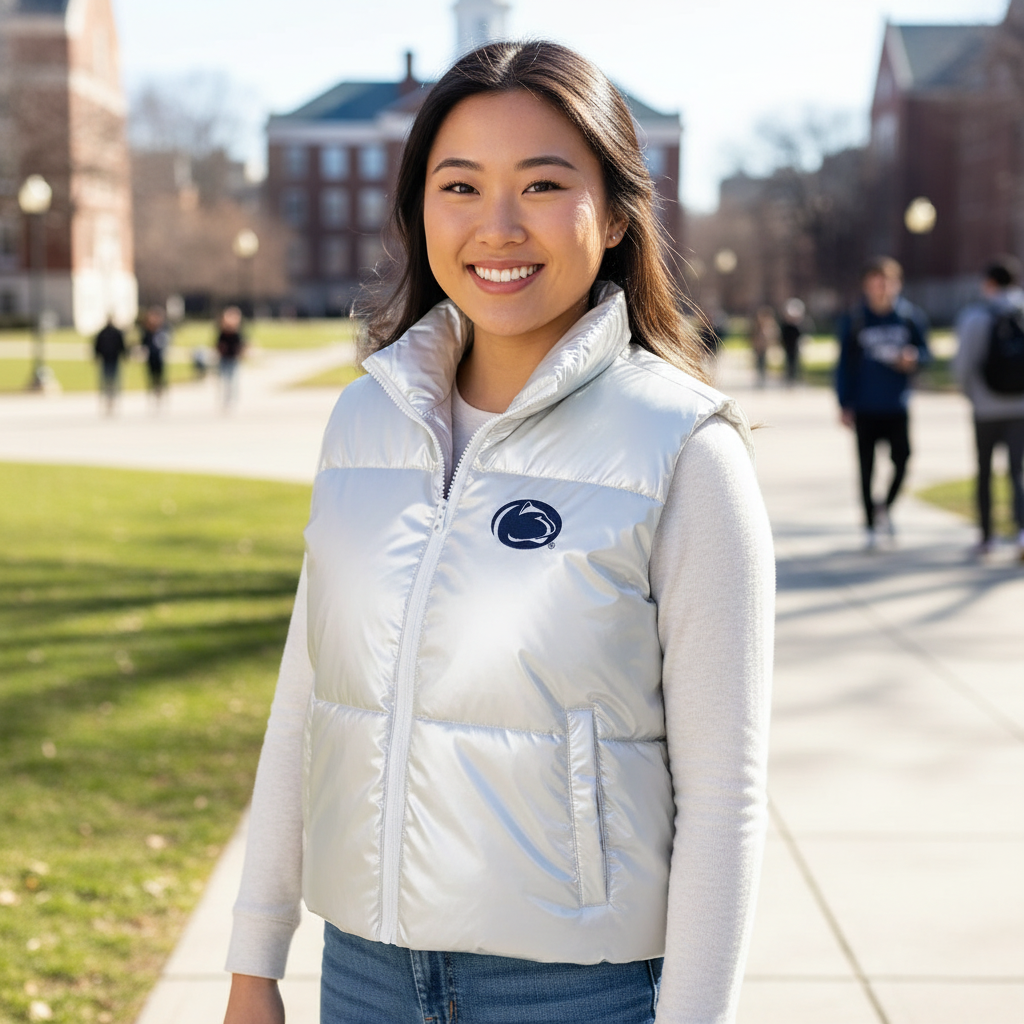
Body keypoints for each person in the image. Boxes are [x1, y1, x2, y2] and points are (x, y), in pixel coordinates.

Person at [223, 41, 774, 1024]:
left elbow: (724, 796)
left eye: (543, 184)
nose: (498, 225)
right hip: (364, 979)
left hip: (575, 991)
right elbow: (307, 701)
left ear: (615, 214)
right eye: (461, 185)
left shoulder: (684, 451)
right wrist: (252, 959)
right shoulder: (364, 421)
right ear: (419, 209)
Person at [836, 257, 930, 548]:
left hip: (896, 405)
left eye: (887, 283)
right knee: (866, 469)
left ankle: (885, 508)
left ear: (897, 284)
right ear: (866, 286)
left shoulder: (910, 317)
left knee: (903, 461)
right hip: (865, 406)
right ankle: (869, 527)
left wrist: (914, 358)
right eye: (876, 284)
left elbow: (927, 354)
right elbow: (844, 365)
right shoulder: (855, 320)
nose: (882, 289)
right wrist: (844, 403)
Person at [953, 256, 1024, 558]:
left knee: (984, 472)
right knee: (1018, 472)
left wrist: (971, 395)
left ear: (989, 283)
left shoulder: (975, 316)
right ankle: (1021, 533)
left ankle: (987, 537)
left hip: (985, 407)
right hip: (1020, 408)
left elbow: (963, 366)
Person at [139, 306, 171, 406]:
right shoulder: (147, 331)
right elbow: (144, 342)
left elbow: (166, 340)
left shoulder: (162, 329)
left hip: (159, 357)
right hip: (151, 357)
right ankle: (154, 392)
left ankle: (160, 392)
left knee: (160, 376)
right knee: (152, 377)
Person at [215, 305, 246, 409]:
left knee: (233, 380)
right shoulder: (223, 332)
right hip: (224, 358)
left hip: (233, 358)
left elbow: (241, 345)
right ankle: (225, 399)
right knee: (224, 380)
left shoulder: (237, 333)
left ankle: (233, 399)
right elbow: (218, 344)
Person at [93, 316, 126, 414]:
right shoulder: (103, 333)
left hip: (114, 360)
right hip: (105, 360)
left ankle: (112, 400)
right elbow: (97, 346)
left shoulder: (116, 333)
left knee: (113, 382)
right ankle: (107, 400)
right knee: (106, 382)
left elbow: (121, 345)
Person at [749, 305, 778, 387]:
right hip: (758, 346)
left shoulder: (768, 325)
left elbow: (772, 335)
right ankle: (759, 377)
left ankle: (763, 377)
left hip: (764, 346)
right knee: (758, 362)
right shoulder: (756, 326)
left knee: (763, 362)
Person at [779, 298, 805, 385]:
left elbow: (800, 334)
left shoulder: (796, 326)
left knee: (795, 362)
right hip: (788, 346)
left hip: (795, 346)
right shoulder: (786, 326)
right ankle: (789, 376)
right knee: (789, 361)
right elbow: (783, 336)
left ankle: (794, 377)